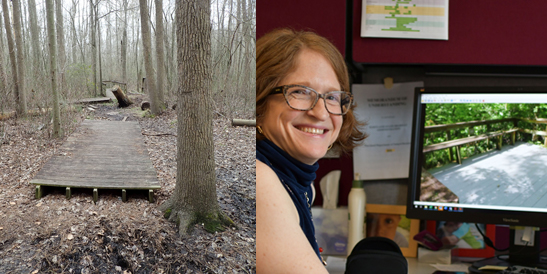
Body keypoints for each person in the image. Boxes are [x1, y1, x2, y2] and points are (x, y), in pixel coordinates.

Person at [256, 28, 366, 273]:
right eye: (299, 92)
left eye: (332, 97)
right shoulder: (260, 180)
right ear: (259, 101)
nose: (320, 112)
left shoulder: (302, 186)